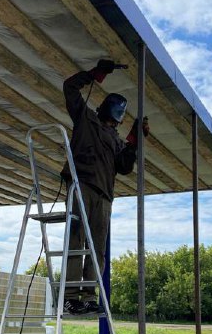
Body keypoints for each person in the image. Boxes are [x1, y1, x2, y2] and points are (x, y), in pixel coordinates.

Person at [61, 59, 149, 315]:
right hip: (81, 187)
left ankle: (88, 296)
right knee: (77, 242)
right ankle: (69, 297)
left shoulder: (116, 139)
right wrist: (95, 74)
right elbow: (70, 87)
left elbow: (123, 167)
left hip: (104, 197)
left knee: (97, 249)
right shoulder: (86, 118)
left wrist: (134, 141)